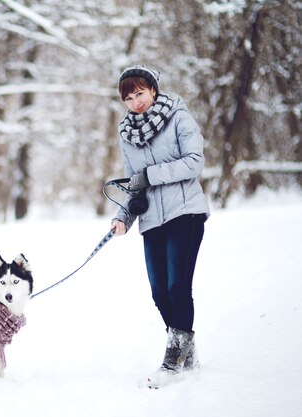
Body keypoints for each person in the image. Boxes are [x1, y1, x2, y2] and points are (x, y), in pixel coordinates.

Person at [111, 64, 210, 387]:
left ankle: (172, 362)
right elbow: (135, 184)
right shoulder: (127, 134)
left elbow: (194, 162)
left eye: (140, 93)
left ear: (153, 89)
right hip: (152, 219)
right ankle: (187, 354)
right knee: (158, 293)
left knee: (176, 288)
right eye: (129, 98)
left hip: (186, 213)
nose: (136, 101)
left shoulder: (179, 116)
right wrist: (123, 216)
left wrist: (151, 176)